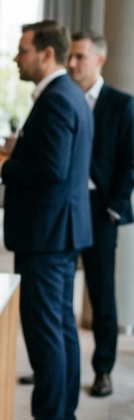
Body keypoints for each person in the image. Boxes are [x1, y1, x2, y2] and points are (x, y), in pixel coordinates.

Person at [0, 20, 93, 420]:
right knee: (61, 327)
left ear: (46, 54)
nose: (15, 58)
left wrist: (2, 164)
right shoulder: (70, 95)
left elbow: (51, 170)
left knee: (47, 329)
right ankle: (61, 419)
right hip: (59, 229)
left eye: (22, 50)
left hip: (48, 233)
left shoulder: (57, 99)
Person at [67, 31, 134, 398]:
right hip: (66, 207)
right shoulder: (64, 99)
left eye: (80, 56)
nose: (73, 63)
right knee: (60, 290)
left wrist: (112, 209)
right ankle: (58, 366)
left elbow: (130, 162)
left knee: (102, 294)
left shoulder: (121, 104)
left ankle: (103, 369)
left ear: (99, 60)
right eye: (71, 57)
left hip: (99, 210)